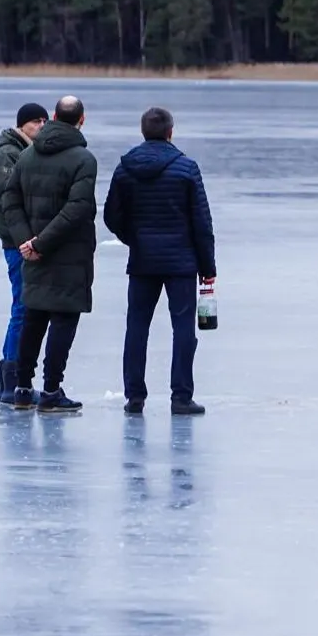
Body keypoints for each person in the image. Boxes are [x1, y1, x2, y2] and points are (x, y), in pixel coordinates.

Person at [104, 106, 216, 416]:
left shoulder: (126, 168)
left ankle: (134, 397)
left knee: (137, 327)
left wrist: (134, 238)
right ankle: (181, 397)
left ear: (143, 132)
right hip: (181, 262)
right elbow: (202, 222)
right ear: (170, 132)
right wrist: (208, 268)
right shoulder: (186, 168)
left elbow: (112, 215)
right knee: (183, 328)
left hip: (142, 261)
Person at [0, 96, 98, 414]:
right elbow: (78, 209)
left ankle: (23, 389)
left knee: (34, 318)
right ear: (82, 120)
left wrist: (26, 240)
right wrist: (40, 242)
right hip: (67, 254)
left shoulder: (27, 155)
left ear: (53, 116)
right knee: (63, 321)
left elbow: (8, 199)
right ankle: (51, 390)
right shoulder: (84, 159)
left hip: (34, 254)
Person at [0, 102, 49, 405]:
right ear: (22, 124)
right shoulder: (8, 154)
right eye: (35, 122)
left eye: (44, 121)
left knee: (25, 307)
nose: (41, 126)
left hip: (25, 241)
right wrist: (27, 240)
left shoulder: (27, 151)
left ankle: (12, 374)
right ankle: (10, 378)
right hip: (17, 243)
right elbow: (10, 201)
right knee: (22, 307)